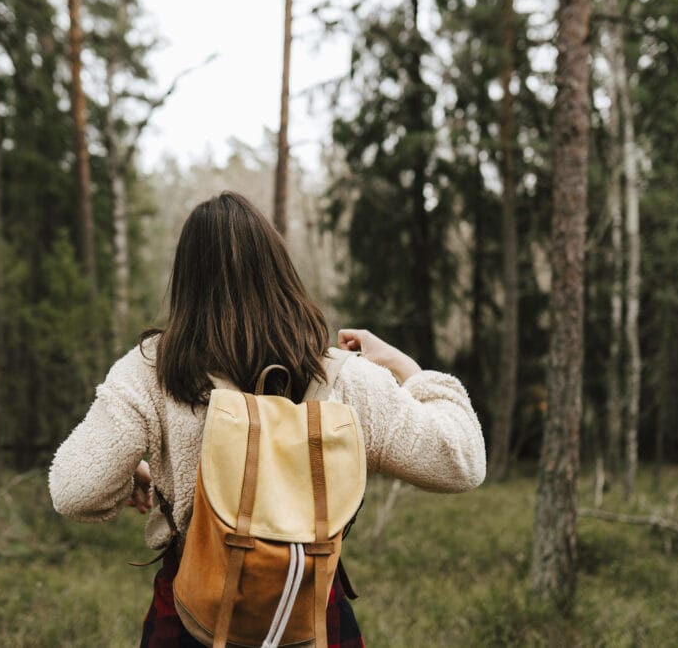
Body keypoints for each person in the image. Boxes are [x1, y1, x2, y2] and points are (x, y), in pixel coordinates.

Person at [48, 191, 486, 646]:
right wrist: (409, 370)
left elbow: (74, 490)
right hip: (310, 614)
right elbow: (462, 463)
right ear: (279, 271)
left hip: (194, 619)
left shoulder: (151, 368)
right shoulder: (344, 377)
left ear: (186, 281)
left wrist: (135, 474)